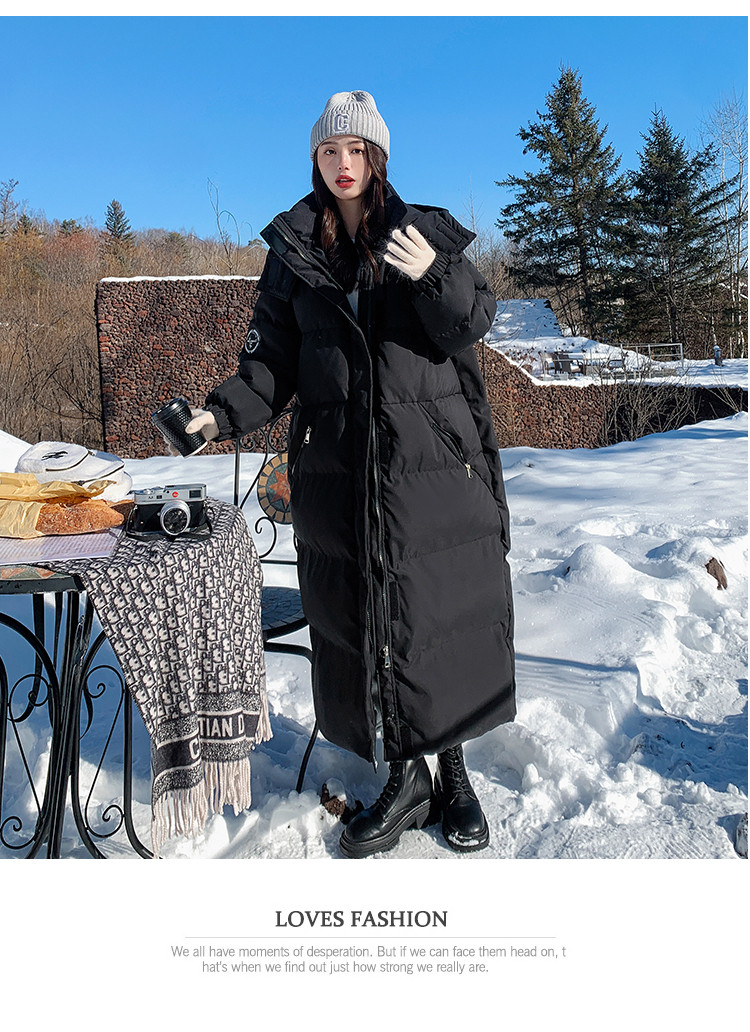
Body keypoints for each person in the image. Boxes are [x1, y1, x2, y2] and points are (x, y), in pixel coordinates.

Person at [185, 91, 516, 858]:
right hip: (340, 468)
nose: (344, 163)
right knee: (370, 621)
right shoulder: (294, 250)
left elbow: (471, 321)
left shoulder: (421, 230)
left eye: (357, 150)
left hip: (431, 463)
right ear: (316, 158)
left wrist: (431, 271)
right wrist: (216, 414)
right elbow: (271, 363)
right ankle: (407, 779)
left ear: (378, 158)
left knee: (434, 616)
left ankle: (454, 776)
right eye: (331, 150)